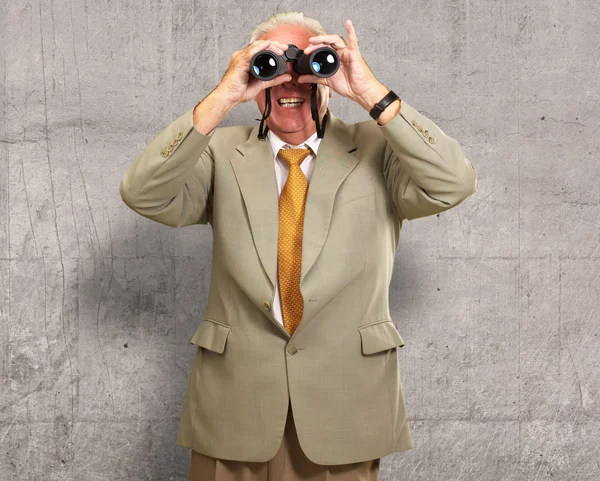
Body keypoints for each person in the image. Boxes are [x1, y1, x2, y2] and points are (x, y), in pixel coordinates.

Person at [119, 11, 478, 481]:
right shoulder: (221, 153)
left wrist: (370, 92)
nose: (293, 79)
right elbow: (143, 193)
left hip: (344, 407)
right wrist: (224, 95)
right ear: (254, 77)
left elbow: (453, 183)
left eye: (310, 65)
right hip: (234, 405)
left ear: (329, 78)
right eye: (273, 65)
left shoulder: (377, 147)